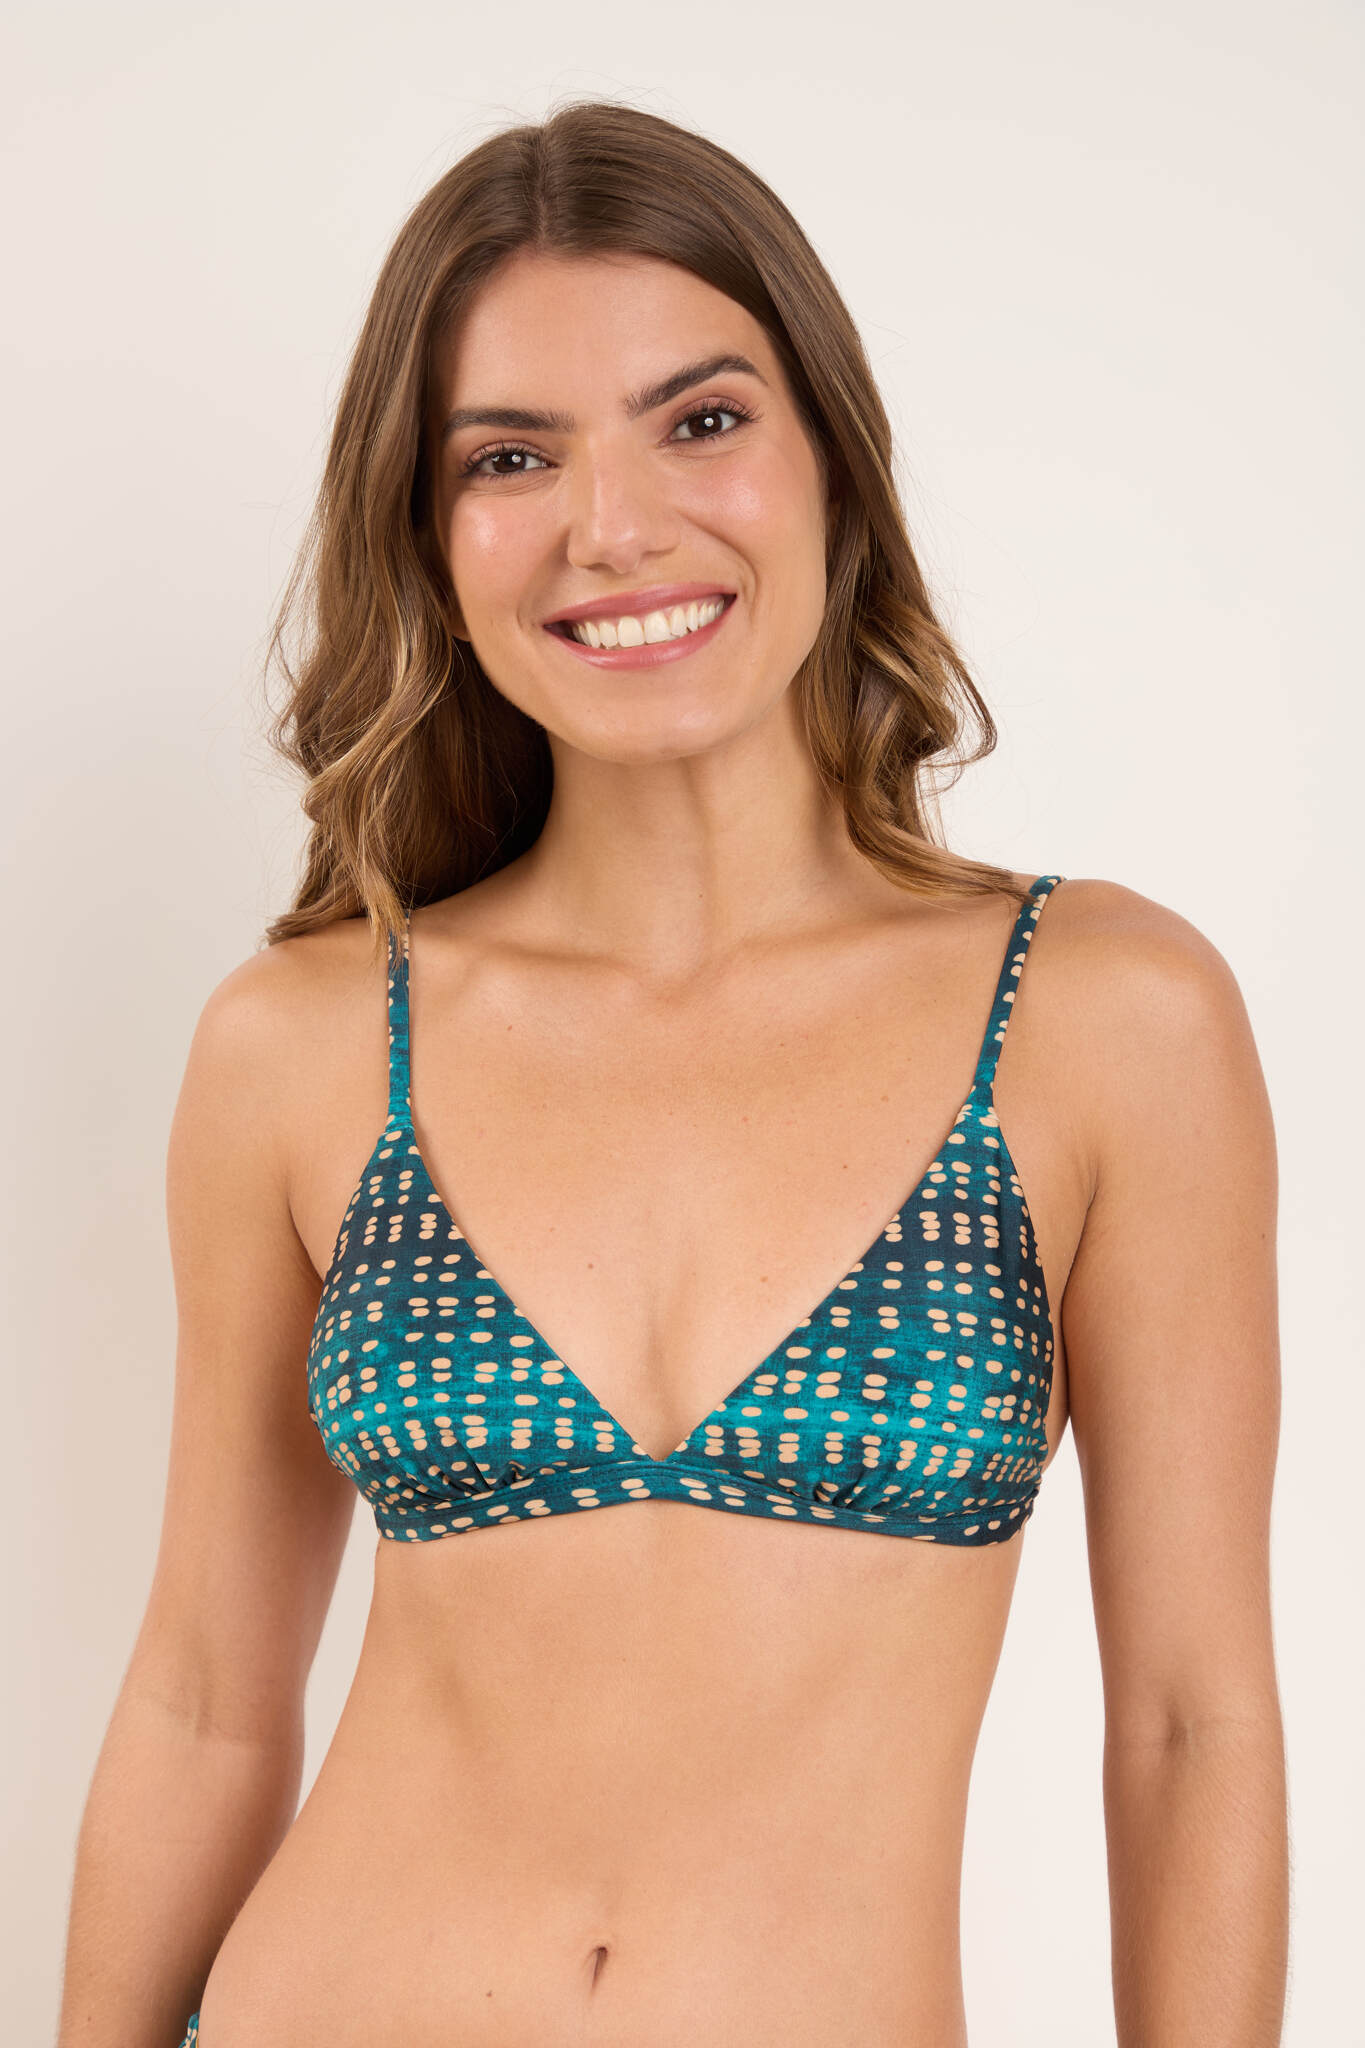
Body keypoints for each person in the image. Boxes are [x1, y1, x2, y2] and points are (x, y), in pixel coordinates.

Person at [55, 99, 1289, 2048]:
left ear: (830, 464)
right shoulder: (303, 1041)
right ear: (428, 534)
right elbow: (206, 1696)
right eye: (509, 456)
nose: (610, 526)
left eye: (696, 419)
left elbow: (1186, 1721)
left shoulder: (1098, 1015)